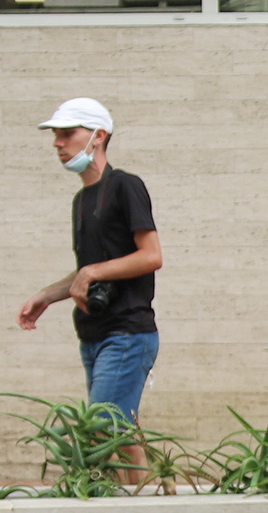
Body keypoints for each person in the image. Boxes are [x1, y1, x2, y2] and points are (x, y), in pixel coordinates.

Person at [17, 97, 164, 476]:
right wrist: (47, 296)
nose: (57, 143)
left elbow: (151, 256)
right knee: (124, 430)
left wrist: (91, 273)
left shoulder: (125, 186)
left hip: (127, 333)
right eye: (56, 136)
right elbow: (88, 270)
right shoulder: (82, 200)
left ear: (98, 136)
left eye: (67, 134)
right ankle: (152, 500)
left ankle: (110, 499)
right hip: (95, 333)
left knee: (99, 428)